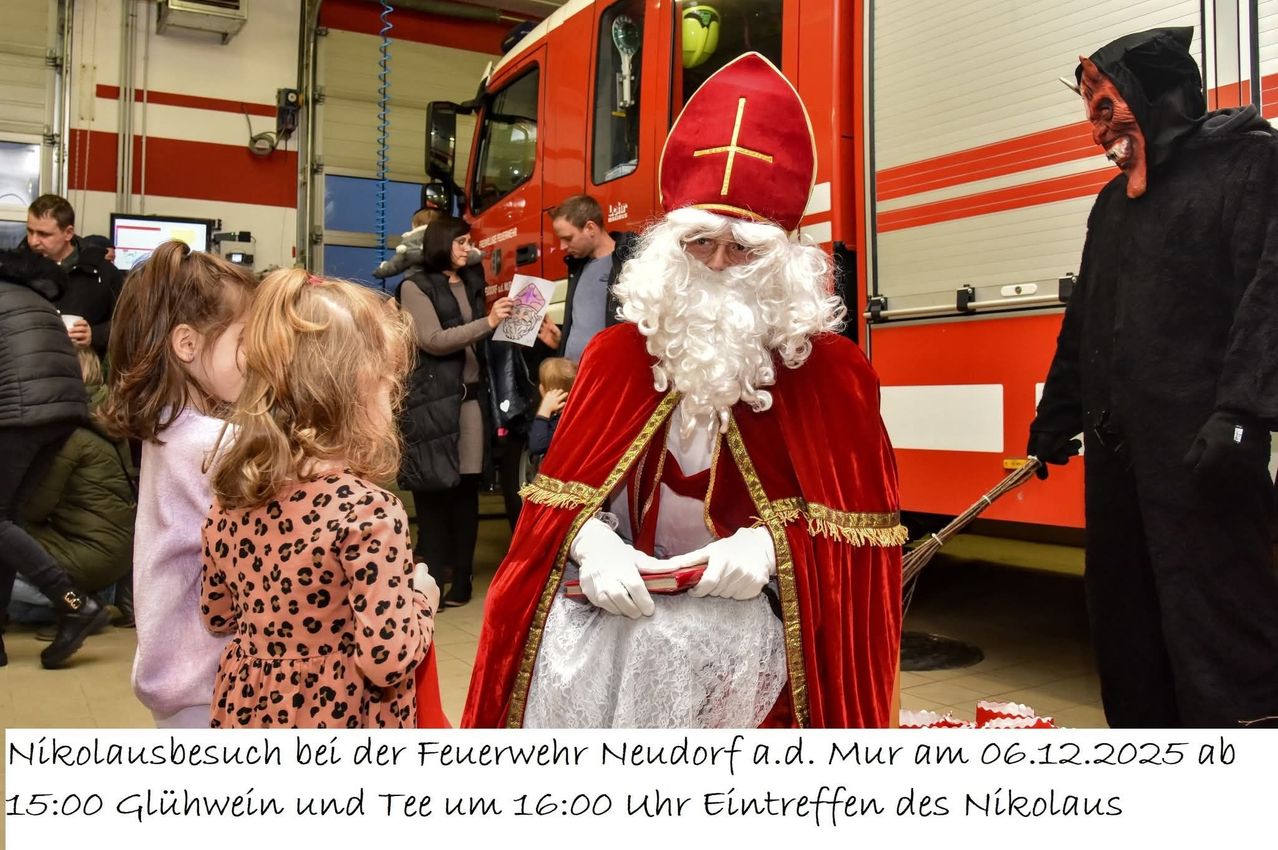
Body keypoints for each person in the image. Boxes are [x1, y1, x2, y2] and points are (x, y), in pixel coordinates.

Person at [463, 53, 905, 729]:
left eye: (743, 248)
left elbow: (863, 550)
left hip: (763, 642)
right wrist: (591, 543)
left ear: (783, 259)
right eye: (700, 242)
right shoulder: (616, 357)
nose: (719, 264)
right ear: (670, 247)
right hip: (629, 623)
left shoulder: (831, 373)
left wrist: (768, 548)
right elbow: (558, 503)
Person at [1029, 28, 1278, 728]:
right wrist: (1057, 413)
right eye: (1090, 114)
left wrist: (1245, 412)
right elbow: (1086, 317)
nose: (1096, 131)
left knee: (1218, 622)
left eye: (1106, 107)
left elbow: (1271, 289)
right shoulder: (1112, 205)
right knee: (1126, 622)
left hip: (1202, 455)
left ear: (1156, 95)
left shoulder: (1250, 164)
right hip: (1120, 463)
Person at [200, 270, 440, 729]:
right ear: (355, 392)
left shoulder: (230, 498)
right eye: (388, 383)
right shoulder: (368, 512)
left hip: (250, 714)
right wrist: (421, 601)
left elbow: (218, 615)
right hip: (342, 713)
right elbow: (386, 659)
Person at [100, 241, 258, 727]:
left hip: (176, 677)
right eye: (244, 339)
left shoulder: (170, 429)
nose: (256, 355)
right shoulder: (215, 443)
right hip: (208, 681)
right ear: (187, 344)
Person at [397, 215, 514, 608]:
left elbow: (478, 338)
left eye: (469, 242)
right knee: (433, 498)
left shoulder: (470, 282)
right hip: (431, 405)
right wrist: (488, 321)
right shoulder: (414, 286)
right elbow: (432, 340)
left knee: (466, 495)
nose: (469, 249)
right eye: (461, 242)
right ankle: (428, 584)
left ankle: (462, 581)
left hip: (470, 403)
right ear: (441, 243)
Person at [0, 248, 108, 669]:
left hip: (19, 413)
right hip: (64, 413)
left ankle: (73, 602)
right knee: (7, 521)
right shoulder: (35, 298)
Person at [10, 348, 135, 631]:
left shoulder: (70, 432)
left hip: (89, 552)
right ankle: (99, 596)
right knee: (18, 608)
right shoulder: (108, 418)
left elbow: (37, 508)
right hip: (117, 549)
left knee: (8, 552)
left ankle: (79, 604)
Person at [21, 194, 123, 356]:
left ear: (68, 233)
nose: (33, 241)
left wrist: (94, 335)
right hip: (27, 363)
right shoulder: (17, 269)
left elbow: (127, 323)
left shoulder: (103, 272)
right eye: (30, 231)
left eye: (43, 234)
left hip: (80, 366)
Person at [542, 194, 637, 362]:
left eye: (568, 238)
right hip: (575, 374)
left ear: (590, 228)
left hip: (608, 373)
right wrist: (561, 342)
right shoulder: (577, 268)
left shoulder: (630, 263)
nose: (562, 247)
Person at [526, 357, 576, 460]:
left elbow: (537, 446)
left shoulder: (559, 422)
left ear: (549, 392)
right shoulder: (576, 411)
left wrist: (544, 409)